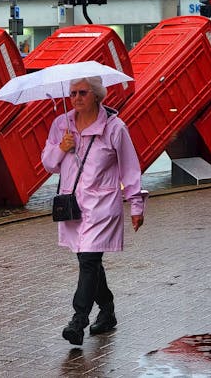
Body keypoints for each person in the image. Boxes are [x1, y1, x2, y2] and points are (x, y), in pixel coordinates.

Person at [41, 75, 147, 345]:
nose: (76, 98)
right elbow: (48, 164)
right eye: (73, 93)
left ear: (97, 95)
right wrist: (61, 148)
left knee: (89, 260)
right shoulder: (61, 124)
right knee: (88, 262)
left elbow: (130, 168)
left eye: (82, 93)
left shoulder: (115, 128)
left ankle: (78, 320)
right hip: (72, 205)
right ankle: (108, 311)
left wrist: (136, 204)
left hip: (102, 205)